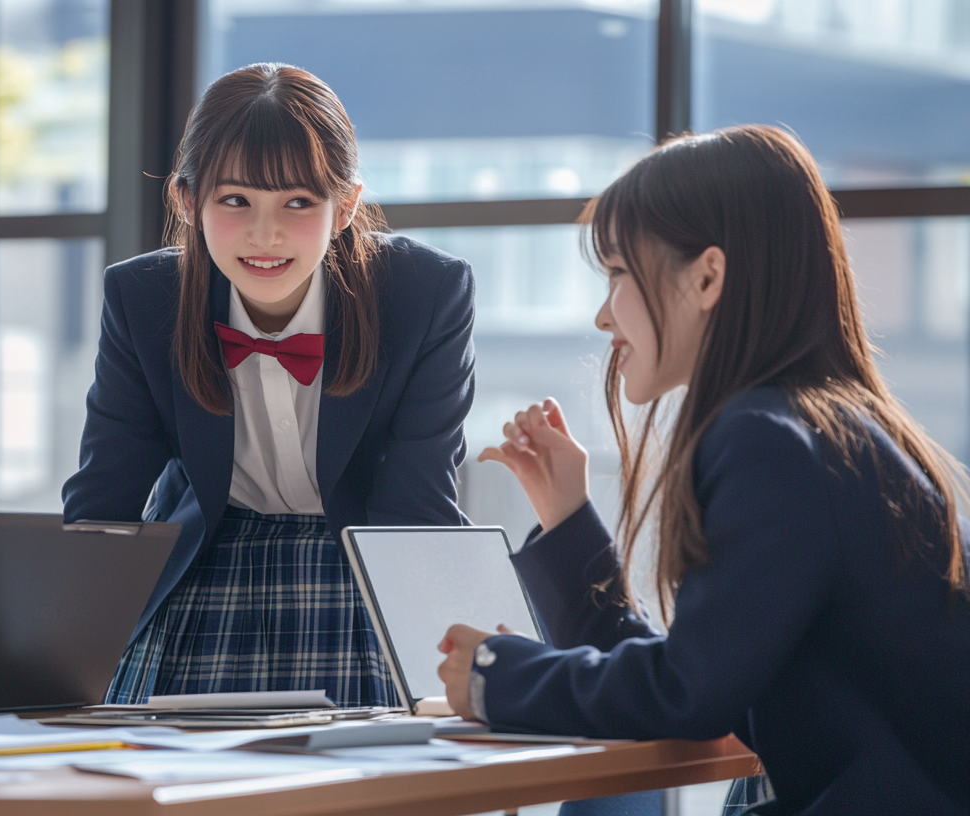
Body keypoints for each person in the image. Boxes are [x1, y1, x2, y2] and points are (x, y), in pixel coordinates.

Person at [437, 125, 970, 815]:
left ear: (708, 276)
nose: (604, 315)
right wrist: (567, 521)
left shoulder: (767, 439)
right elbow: (704, 676)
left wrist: (494, 675)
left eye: (619, 275)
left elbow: (688, 695)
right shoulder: (829, 427)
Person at [63, 63, 475, 706]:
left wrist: (427, 663)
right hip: (209, 563)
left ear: (346, 208)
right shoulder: (142, 297)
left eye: (298, 203)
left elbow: (416, 503)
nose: (265, 233)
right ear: (185, 200)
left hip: (361, 572)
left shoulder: (425, 293)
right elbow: (106, 497)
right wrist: (57, 662)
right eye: (235, 201)